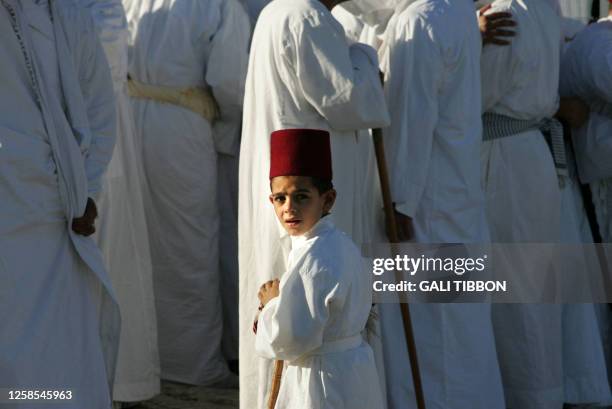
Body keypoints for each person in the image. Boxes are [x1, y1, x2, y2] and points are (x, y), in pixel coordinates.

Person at [238, 0, 390, 407]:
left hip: (295, 185)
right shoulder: (306, 16)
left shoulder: (278, 12)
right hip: (305, 188)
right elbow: (350, 100)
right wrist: (364, 54)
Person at [378, 1, 506, 408]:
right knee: (462, 330)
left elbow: (410, 124)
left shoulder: (420, 23)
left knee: (437, 336)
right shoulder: (455, 14)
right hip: (454, 193)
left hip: (427, 199)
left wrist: (398, 201)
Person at [122, 0, 251, 386]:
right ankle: (192, 364)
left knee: (136, 240)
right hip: (182, 122)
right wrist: (226, 129)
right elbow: (230, 82)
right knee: (190, 245)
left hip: (128, 118)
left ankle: (137, 359)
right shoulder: (220, 5)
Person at [0, 0, 119, 408]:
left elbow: (100, 107)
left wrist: (86, 188)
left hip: (57, 216)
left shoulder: (68, 15)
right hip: (8, 212)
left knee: (60, 353)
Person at [254, 128, 384, 409]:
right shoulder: (340, 244)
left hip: (321, 380)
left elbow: (288, 339)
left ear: (327, 200)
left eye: (302, 197)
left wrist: (271, 305)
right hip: (353, 374)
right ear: (271, 201)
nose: (289, 208)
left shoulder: (315, 258)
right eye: (280, 198)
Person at [79, 0, 161, 406]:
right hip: (75, 145)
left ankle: (112, 383)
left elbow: (103, 64)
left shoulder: (102, 10)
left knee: (111, 264)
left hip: (100, 141)